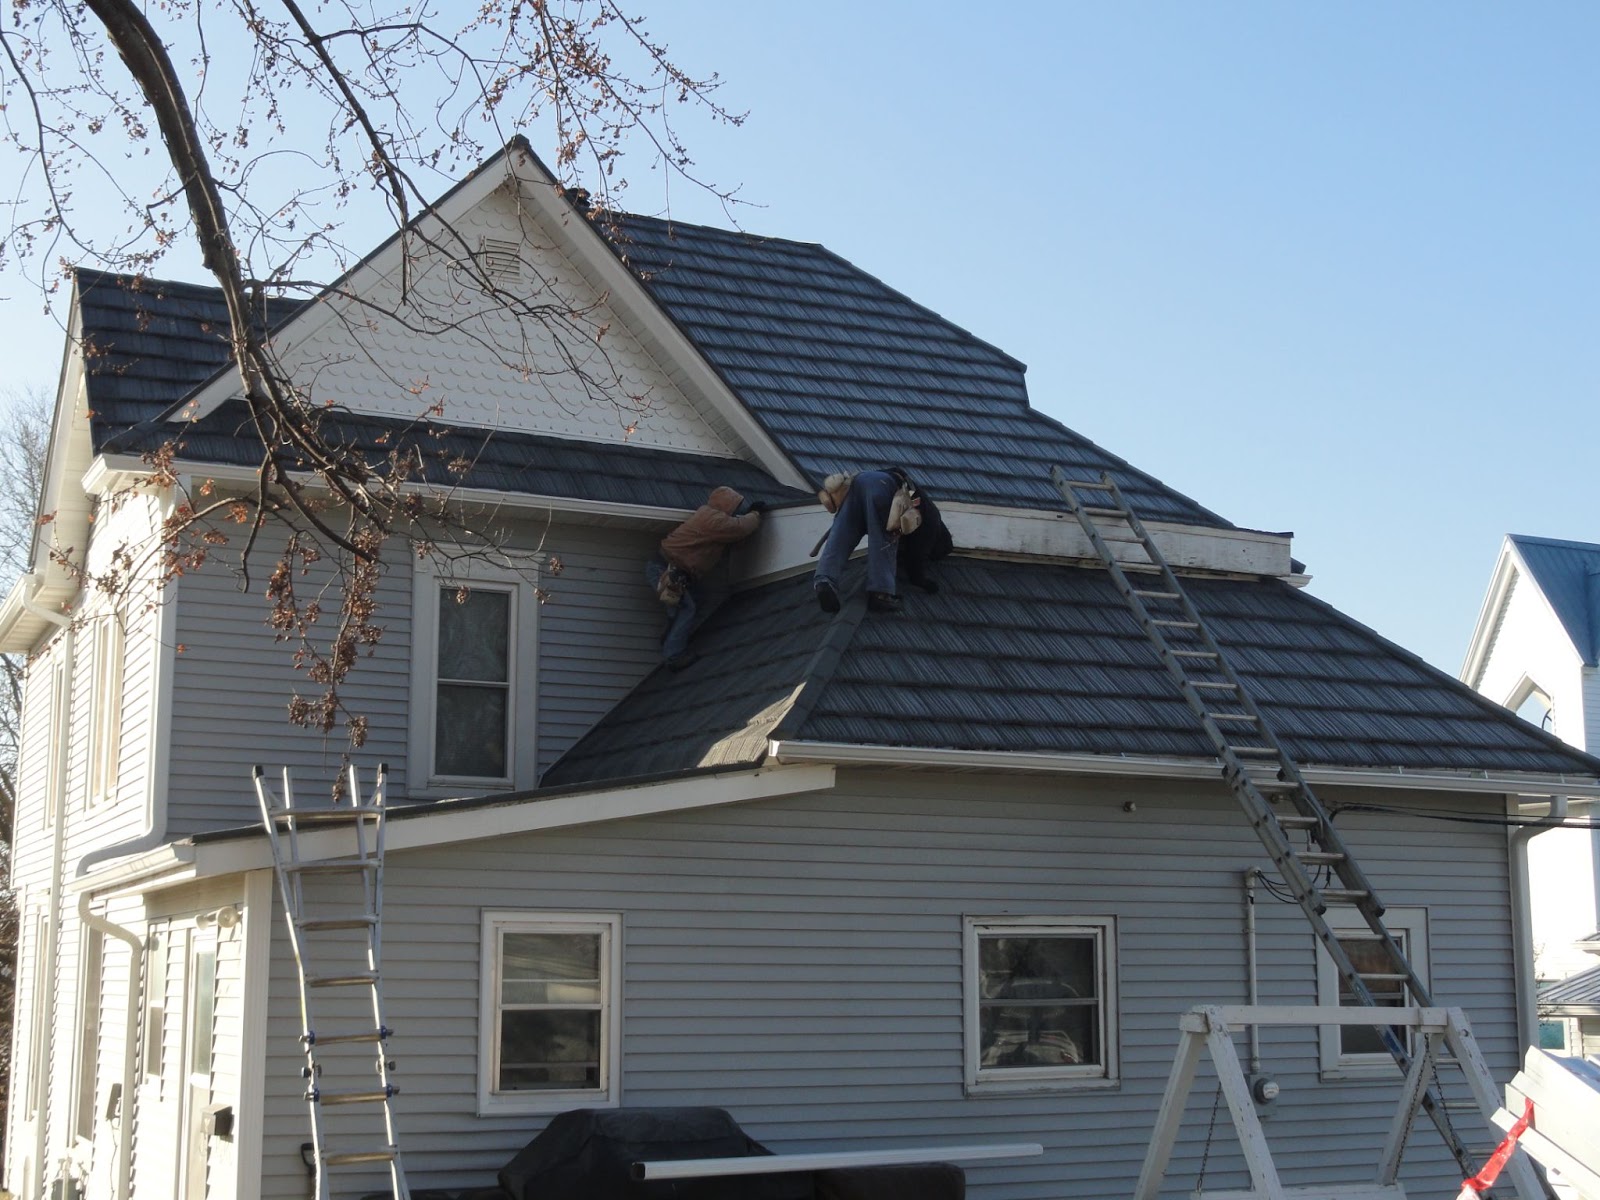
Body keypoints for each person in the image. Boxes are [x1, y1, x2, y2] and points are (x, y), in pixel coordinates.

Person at [646, 486, 766, 669]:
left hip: (677, 572)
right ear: (725, 503)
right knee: (687, 608)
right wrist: (755, 514)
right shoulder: (711, 517)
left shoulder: (715, 520)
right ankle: (674, 655)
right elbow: (740, 528)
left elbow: (736, 539)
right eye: (735, 505)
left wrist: (749, 518)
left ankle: (673, 633)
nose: (736, 510)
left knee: (697, 600)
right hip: (666, 569)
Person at [813, 467, 912, 614]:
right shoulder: (907, 490)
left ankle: (824, 580)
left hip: (857, 483)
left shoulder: (866, 477)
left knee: (840, 536)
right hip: (882, 486)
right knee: (884, 538)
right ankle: (880, 594)